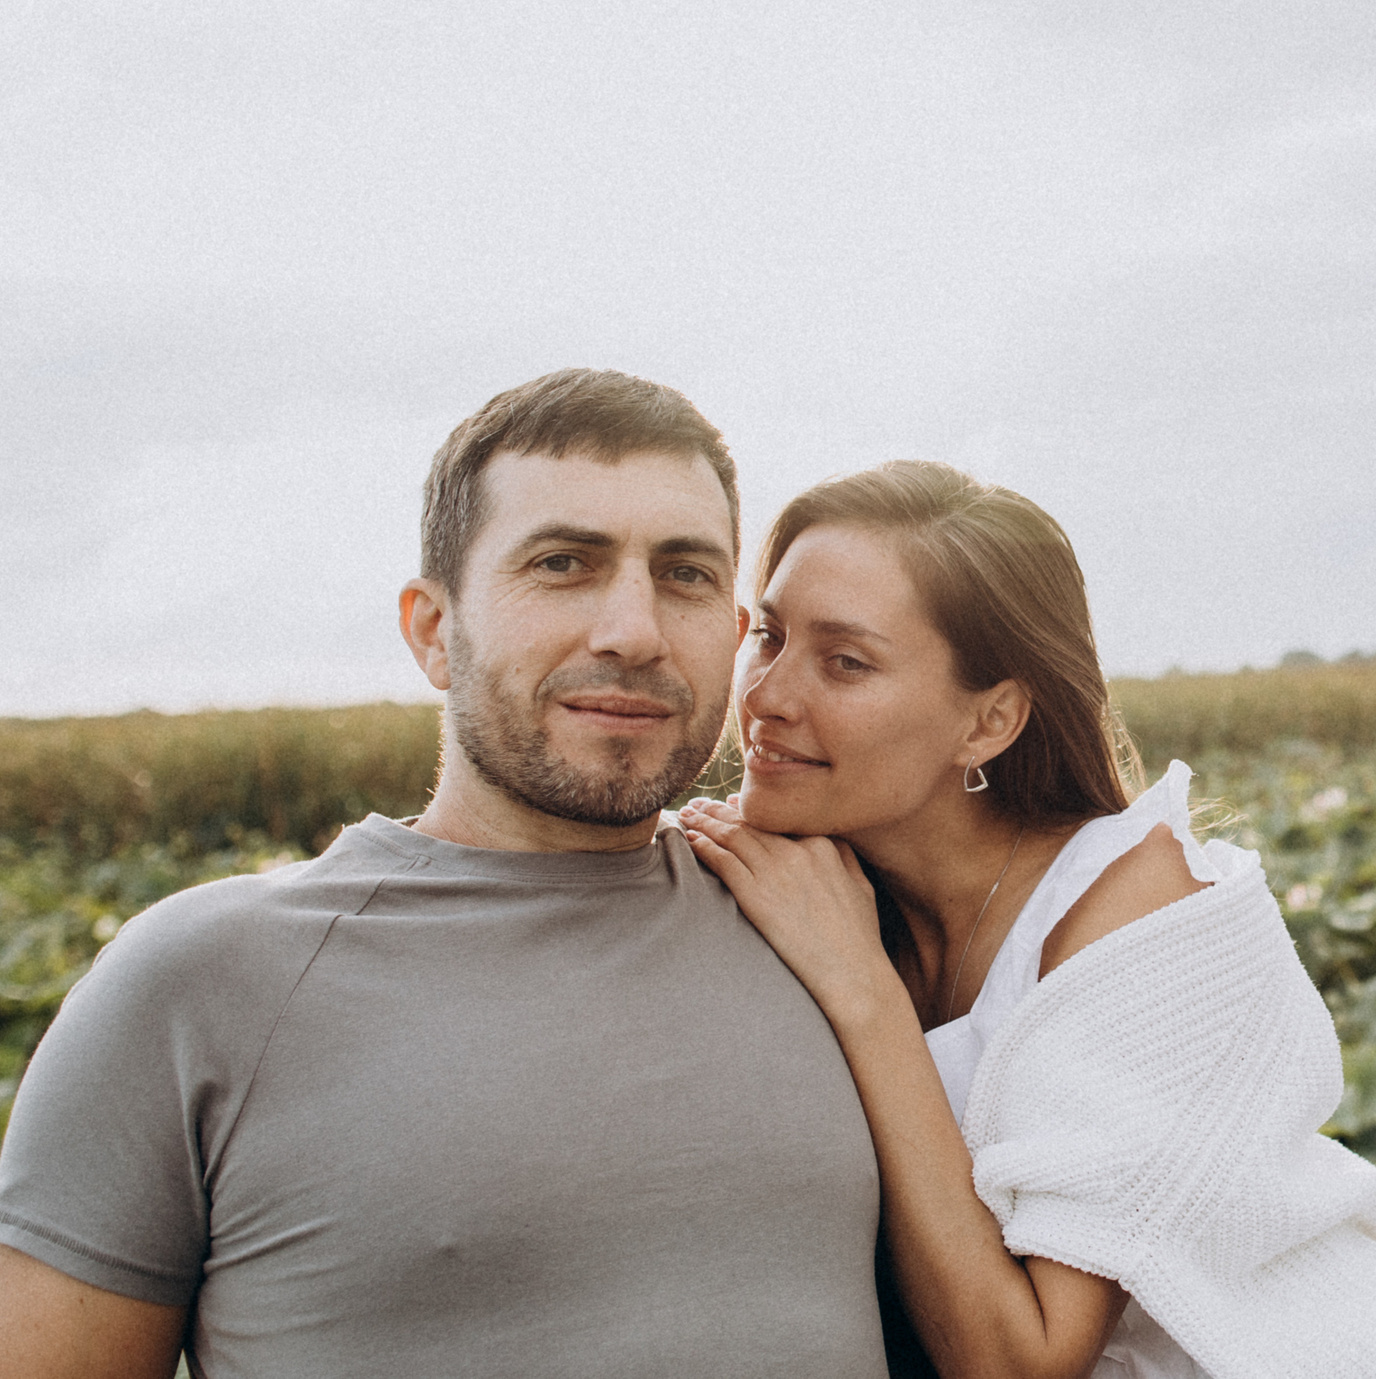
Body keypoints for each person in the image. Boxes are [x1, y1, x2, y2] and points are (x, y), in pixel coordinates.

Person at [0, 369, 892, 1379]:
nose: (634, 631)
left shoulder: (828, 921)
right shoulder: (200, 984)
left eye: (684, 574)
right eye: (563, 563)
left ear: (732, 638)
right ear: (433, 630)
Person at [677, 461, 1376, 1379]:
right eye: (770, 636)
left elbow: (1024, 1363)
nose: (766, 695)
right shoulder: (814, 884)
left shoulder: (1138, 907)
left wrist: (864, 995)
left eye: (845, 661)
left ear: (989, 721)